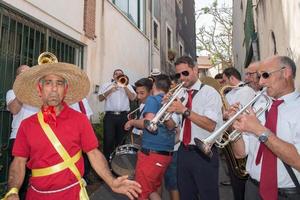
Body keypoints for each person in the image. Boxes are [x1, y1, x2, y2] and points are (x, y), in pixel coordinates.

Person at [3, 62, 141, 200]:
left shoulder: (80, 120)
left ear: (66, 89)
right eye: (48, 83)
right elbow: (19, 161)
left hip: (73, 194)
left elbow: (93, 153)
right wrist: (13, 190)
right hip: (37, 195)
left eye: (59, 83)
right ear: (39, 89)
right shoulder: (26, 125)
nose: (54, 89)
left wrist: (111, 181)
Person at [232, 55, 300, 200]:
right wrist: (235, 127)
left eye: (265, 75)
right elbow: (240, 153)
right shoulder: (259, 105)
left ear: (286, 72)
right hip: (252, 188)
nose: (261, 82)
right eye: (259, 76)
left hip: (287, 194)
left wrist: (259, 130)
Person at [168, 56, 223, 200]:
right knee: (186, 195)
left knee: (208, 195)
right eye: (178, 75)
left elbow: (210, 125)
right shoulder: (180, 94)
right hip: (183, 151)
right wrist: (166, 111)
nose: (181, 78)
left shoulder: (210, 93)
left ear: (195, 70)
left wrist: (184, 110)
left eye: (185, 73)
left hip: (204, 152)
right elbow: (171, 125)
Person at [124, 74, 178, 200]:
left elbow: (147, 122)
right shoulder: (172, 102)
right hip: (166, 154)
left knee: (140, 193)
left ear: (154, 85)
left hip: (152, 154)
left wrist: (131, 122)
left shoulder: (153, 99)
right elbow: (172, 126)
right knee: (152, 190)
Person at [222, 67, 256, 200]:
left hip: (243, 137)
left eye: (224, 80)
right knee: (235, 178)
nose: (223, 84)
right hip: (232, 138)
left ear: (231, 78)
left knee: (241, 180)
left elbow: (240, 114)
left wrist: (227, 115)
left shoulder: (246, 91)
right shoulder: (229, 94)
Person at [5, 65, 39, 199]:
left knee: (36, 175)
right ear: (17, 77)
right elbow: (14, 109)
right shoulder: (12, 92)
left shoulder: (38, 92)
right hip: (18, 137)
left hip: (38, 138)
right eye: (23, 74)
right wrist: (22, 90)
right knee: (19, 178)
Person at [98, 69, 137, 160]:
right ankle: (107, 162)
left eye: (120, 74)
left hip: (123, 116)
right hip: (110, 117)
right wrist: (111, 90)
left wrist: (125, 87)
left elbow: (133, 98)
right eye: (116, 74)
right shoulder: (106, 85)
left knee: (121, 140)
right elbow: (100, 98)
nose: (118, 76)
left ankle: (119, 162)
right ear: (113, 76)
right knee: (108, 140)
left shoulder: (127, 85)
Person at [125, 78, 153, 145]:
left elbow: (146, 122)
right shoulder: (142, 104)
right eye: (137, 93)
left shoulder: (153, 104)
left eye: (142, 93)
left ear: (151, 92)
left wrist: (131, 122)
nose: (139, 97)